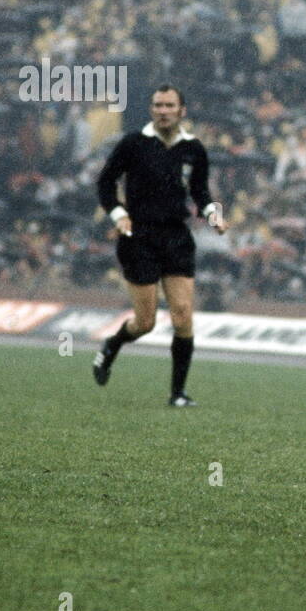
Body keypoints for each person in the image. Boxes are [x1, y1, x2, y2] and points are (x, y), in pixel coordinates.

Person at [92, 85, 228, 406]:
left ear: (182, 111)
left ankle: (177, 394)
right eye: (157, 105)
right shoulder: (134, 143)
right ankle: (113, 344)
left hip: (177, 237)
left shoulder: (194, 148)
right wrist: (118, 213)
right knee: (146, 322)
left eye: (169, 105)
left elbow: (201, 192)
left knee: (182, 316)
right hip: (138, 237)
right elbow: (105, 182)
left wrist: (213, 215)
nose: (162, 110)